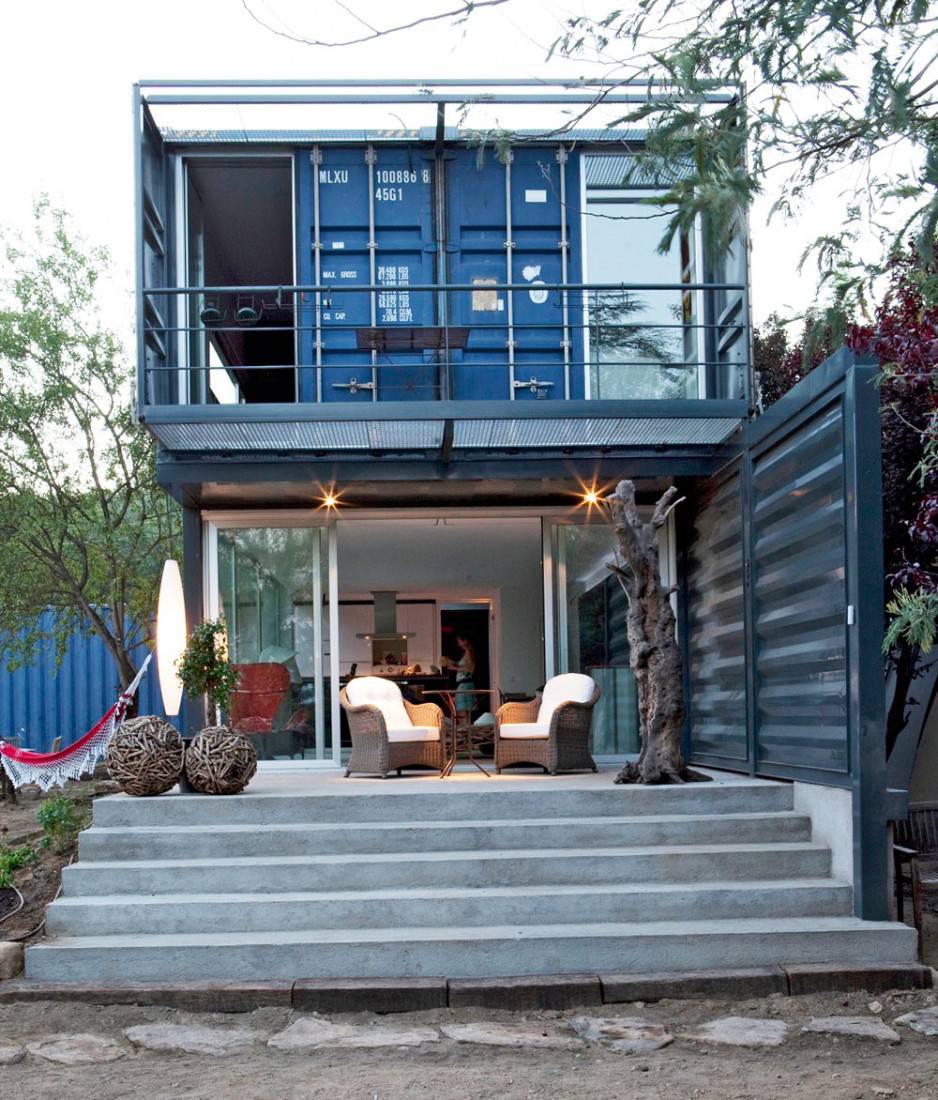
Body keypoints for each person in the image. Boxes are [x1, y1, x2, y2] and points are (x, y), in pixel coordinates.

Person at [442, 634, 476, 718]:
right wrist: (451, 662)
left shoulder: (468, 652)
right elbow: (465, 666)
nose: (458, 643)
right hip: (465, 685)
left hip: (464, 685)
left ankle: (464, 729)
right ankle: (465, 729)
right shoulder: (467, 652)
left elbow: (469, 669)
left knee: (462, 712)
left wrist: (454, 667)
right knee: (465, 713)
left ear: (465, 641)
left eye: (459, 641)